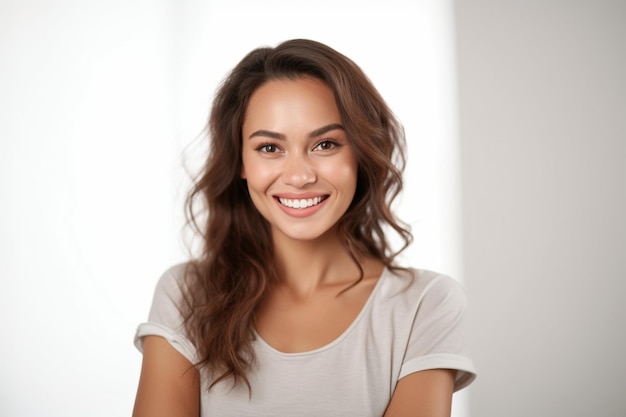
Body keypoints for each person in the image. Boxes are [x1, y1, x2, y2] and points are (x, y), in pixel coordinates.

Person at [132, 38, 476, 417]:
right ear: (241, 162)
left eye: (325, 144)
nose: (298, 176)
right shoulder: (186, 295)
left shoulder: (425, 305)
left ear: (360, 153)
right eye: (269, 148)